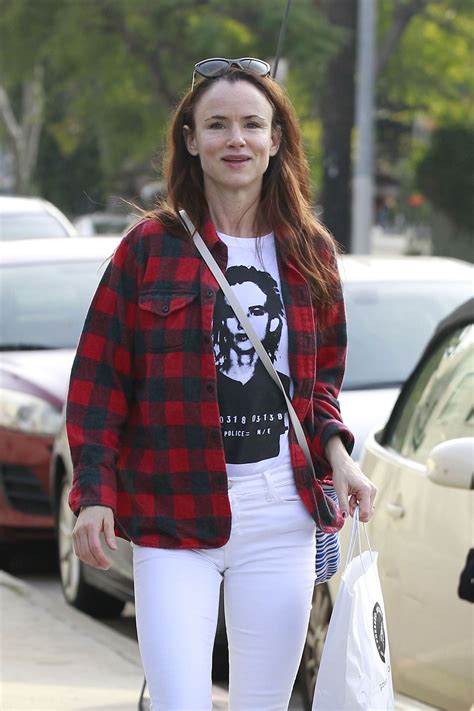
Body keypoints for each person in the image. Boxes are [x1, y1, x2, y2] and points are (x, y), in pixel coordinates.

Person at [67, 56, 377, 711]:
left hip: (280, 516)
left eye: (251, 125)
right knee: (181, 701)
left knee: (261, 703)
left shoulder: (310, 251)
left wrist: (340, 457)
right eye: (216, 125)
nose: (234, 139)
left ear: (275, 140)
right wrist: (93, 491)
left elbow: (319, 385)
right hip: (173, 514)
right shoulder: (148, 249)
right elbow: (99, 383)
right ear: (190, 139)